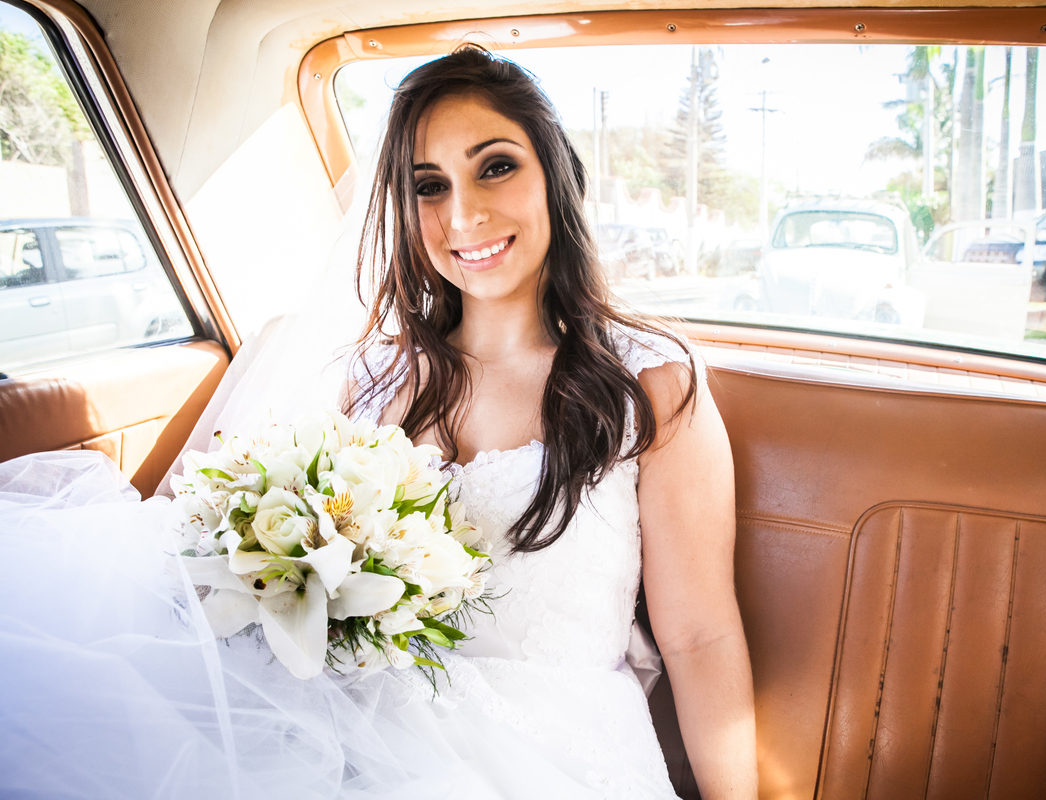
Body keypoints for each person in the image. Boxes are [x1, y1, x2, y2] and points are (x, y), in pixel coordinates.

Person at [0, 46, 756, 799]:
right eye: (429, 186)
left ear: (554, 176)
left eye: (496, 166)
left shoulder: (647, 384)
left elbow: (700, 636)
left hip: (553, 754)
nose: (464, 215)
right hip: (351, 733)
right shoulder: (370, 377)